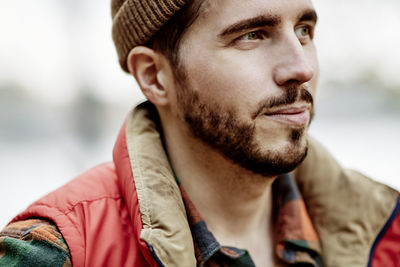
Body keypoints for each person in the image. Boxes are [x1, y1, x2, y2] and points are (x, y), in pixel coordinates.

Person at [0, 0, 399, 266]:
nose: (301, 67)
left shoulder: (387, 229)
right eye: (253, 35)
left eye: (304, 31)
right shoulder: (58, 251)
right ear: (155, 76)